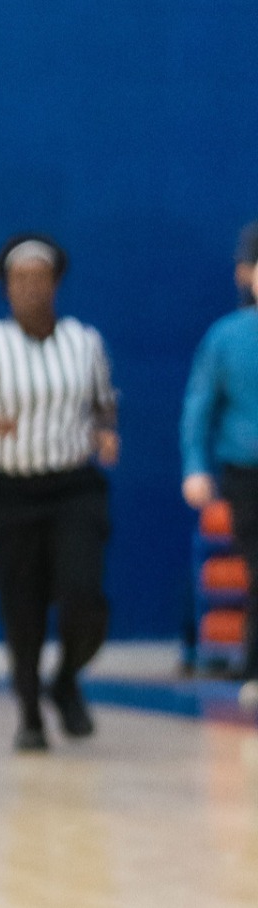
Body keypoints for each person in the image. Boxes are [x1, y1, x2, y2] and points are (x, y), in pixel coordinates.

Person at [0, 234, 119, 752]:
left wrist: (107, 431)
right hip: (8, 493)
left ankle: (65, 680)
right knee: (23, 605)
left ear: (56, 282)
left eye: (40, 278)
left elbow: (104, 401)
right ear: (6, 288)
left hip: (72, 486)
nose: (31, 289)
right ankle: (31, 711)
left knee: (85, 599)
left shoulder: (85, 341)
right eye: (20, 280)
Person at [181, 266, 258, 709]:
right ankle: (253, 668)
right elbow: (200, 404)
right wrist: (195, 466)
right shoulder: (226, 337)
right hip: (246, 472)